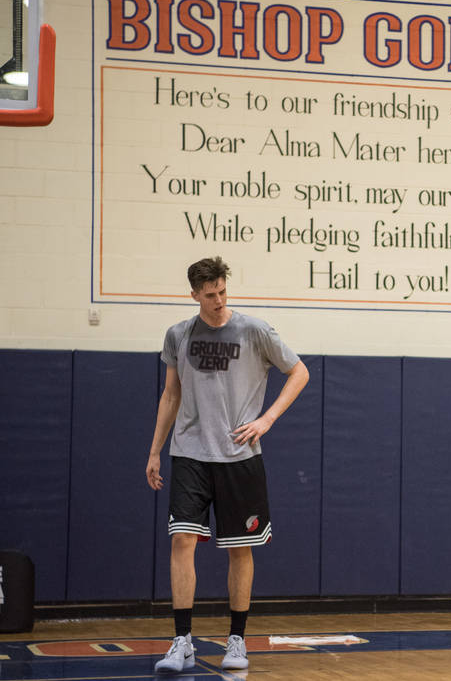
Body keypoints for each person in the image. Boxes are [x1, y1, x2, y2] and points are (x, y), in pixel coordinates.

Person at [145, 257, 309, 674]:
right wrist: (154, 451)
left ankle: (237, 639)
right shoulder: (179, 335)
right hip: (189, 453)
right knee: (181, 542)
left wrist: (267, 419)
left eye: (222, 292)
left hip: (239, 457)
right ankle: (182, 641)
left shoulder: (254, 330)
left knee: (239, 549)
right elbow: (170, 395)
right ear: (194, 295)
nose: (218, 301)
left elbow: (299, 371)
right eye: (209, 294)